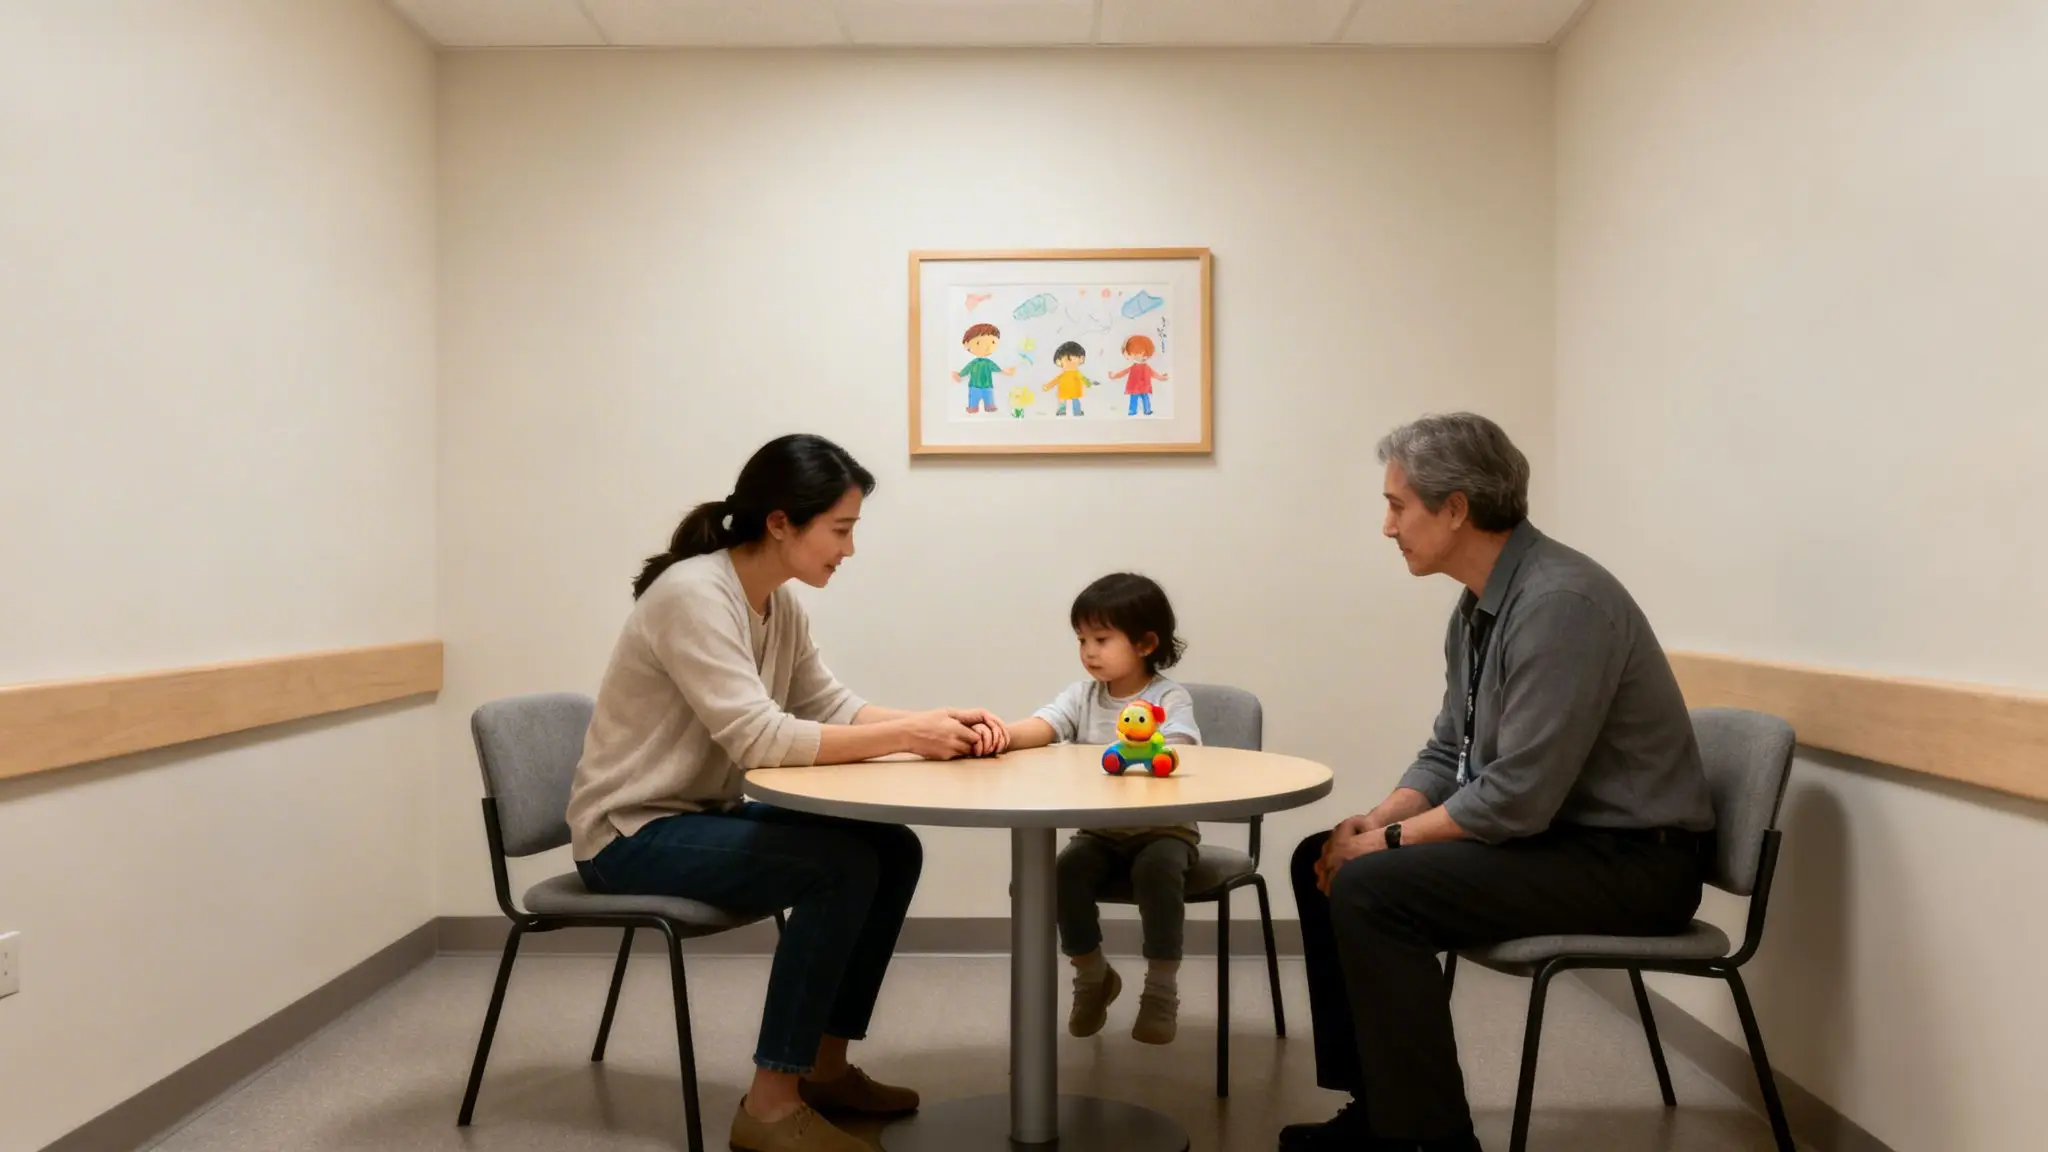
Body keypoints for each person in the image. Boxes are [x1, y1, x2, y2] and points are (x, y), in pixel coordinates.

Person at [1282, 413, 1716, 1152]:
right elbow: (1450, 748)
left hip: (1639, 864)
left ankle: (1429, 1140)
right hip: (1564, 844)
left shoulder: (1560, 606)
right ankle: (1382, 1110)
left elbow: (1517, 794)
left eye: (1398, 505)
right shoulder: (1481, 606)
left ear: (1455, 508)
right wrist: (1371, 823)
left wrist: (1385, 845)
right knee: (1321, 858)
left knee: (1371, 886)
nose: (1388, 527)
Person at [565, 433, 1011, 1152]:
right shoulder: (693, 596)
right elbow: (762, 740)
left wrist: (934, 720)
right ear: (781, 522)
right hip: (629, 837)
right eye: (841, 530)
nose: (849, 549)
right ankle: (769, 1106)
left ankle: (825, 1070)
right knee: (841, 863)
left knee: (889, 847)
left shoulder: (777, 603)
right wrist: (912, 737)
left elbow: (831, 707)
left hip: (698, 818)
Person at [1003, 573, 1201, 1045]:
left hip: (1164, 831)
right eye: (1081, 640)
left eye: (1101, 639)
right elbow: (1045, 724)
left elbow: (1180, 747)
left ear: (1145, 642)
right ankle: (1092, 974)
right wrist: (1001, 735)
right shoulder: (1081, 697)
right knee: (1062, 872)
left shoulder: (1168, 698)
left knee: (1157, 872)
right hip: (1101, 834)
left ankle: (1160, 989)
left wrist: (1148, 750)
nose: (1089, 651)